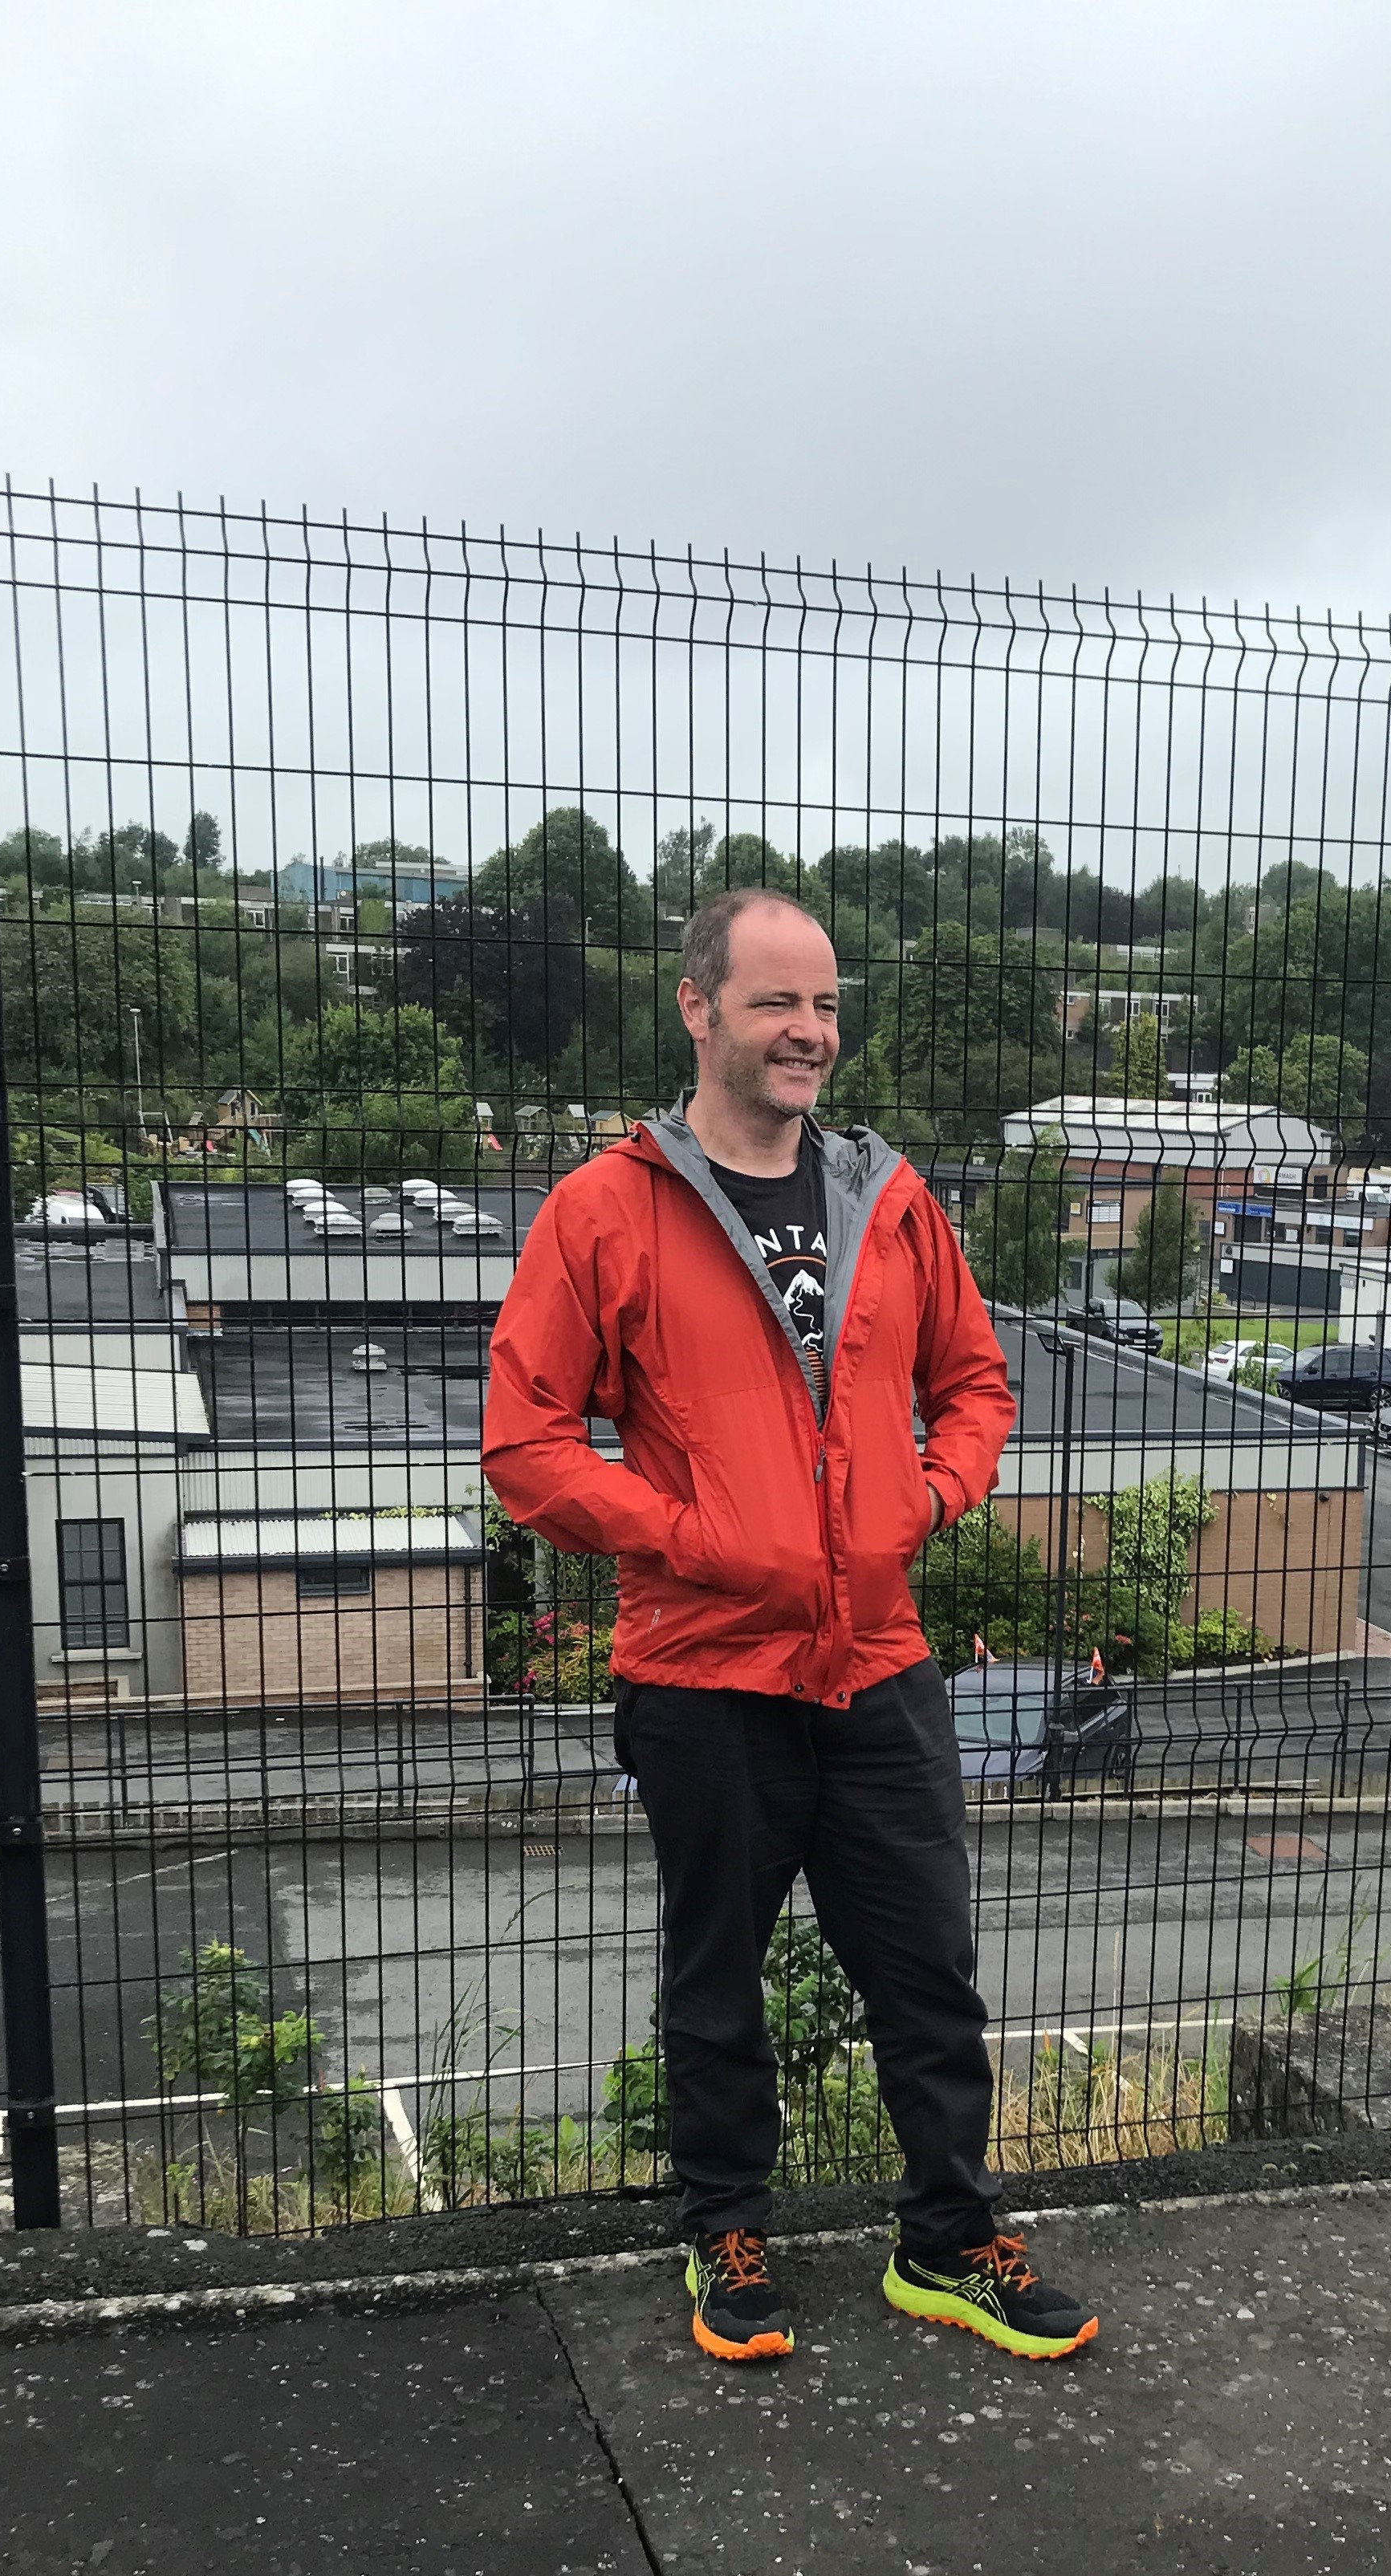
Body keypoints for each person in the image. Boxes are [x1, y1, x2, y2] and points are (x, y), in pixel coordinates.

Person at [484, 884, 1097, 2368]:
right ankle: (728, 2233)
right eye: (775, 1003)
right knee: (717, 1978)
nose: (809, 1032)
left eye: (824, 1003)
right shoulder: (606, 1208)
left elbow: (978, 1385)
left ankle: (950, 2241)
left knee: (929, 1975)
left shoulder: (890, 1198)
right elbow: (526, 1442)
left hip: (878, 1661)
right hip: (703, 1675)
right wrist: (686, 1534)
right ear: (698, 1009)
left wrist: (928, 1502)